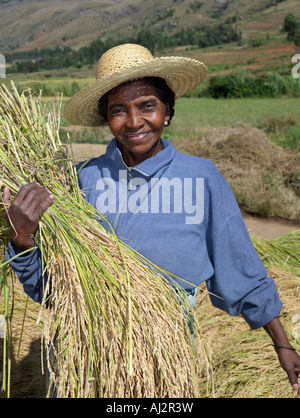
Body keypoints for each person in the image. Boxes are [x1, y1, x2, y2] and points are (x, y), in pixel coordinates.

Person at [2, 43, 300, 396]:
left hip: (163, 352)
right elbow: (50, 288)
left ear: (168, 112)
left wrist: (282, 344)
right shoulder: (79, 181)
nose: (133, 122)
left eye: (147, 106)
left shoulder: (200, 178)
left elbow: (240, 265)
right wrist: (22, 240)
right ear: (106, 120)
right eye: (118, 111)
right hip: (83, 355)